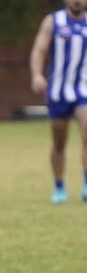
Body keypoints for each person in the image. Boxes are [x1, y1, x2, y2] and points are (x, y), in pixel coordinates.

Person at [30, 0, 87, 204]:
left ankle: (86, 184)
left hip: (83, 90)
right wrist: (37, 74)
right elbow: (39, 50)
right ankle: (59, 186)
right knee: (59, 143)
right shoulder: (53, 21)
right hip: (58, 93)